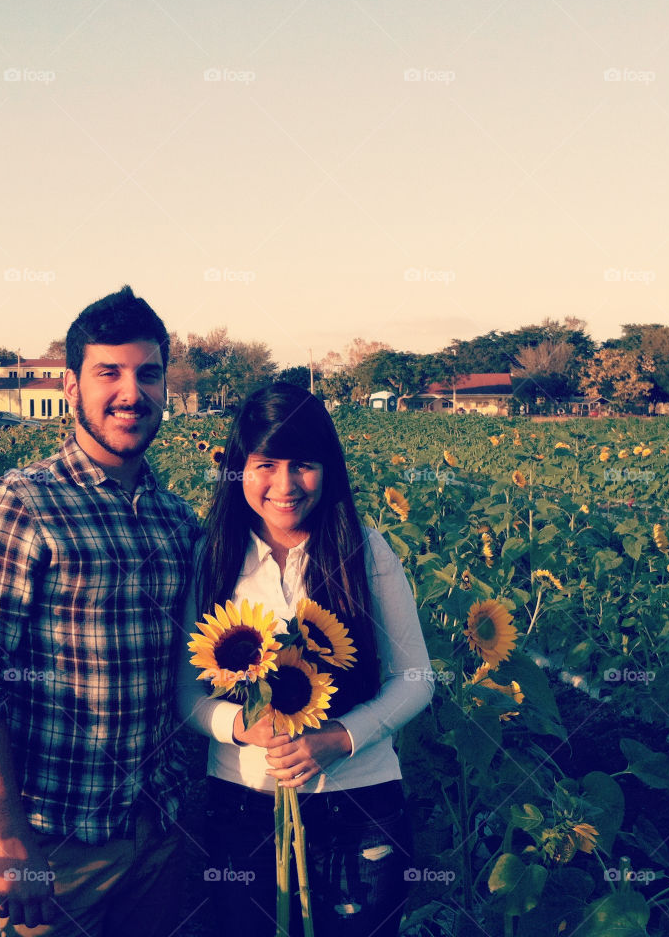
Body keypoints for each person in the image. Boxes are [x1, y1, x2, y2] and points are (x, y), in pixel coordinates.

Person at [0, 286, 199, 936]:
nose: (131, 393)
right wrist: (9, 842)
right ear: (72, 386)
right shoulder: (23, 504)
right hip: (52, 847)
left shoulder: (177, 519)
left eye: (148, 373)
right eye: (108, 372)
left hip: (156, 838)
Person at [177, 383, 434, 935]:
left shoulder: (366, 551)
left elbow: (415, 679)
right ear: (239, 468)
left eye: (304, 465)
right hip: (242, 805)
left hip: (360, 804)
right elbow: (186, 696)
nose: (285, 485)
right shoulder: (213, 557)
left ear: (328, 469)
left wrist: (339, 737)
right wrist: (243, 727)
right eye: (265, 464)